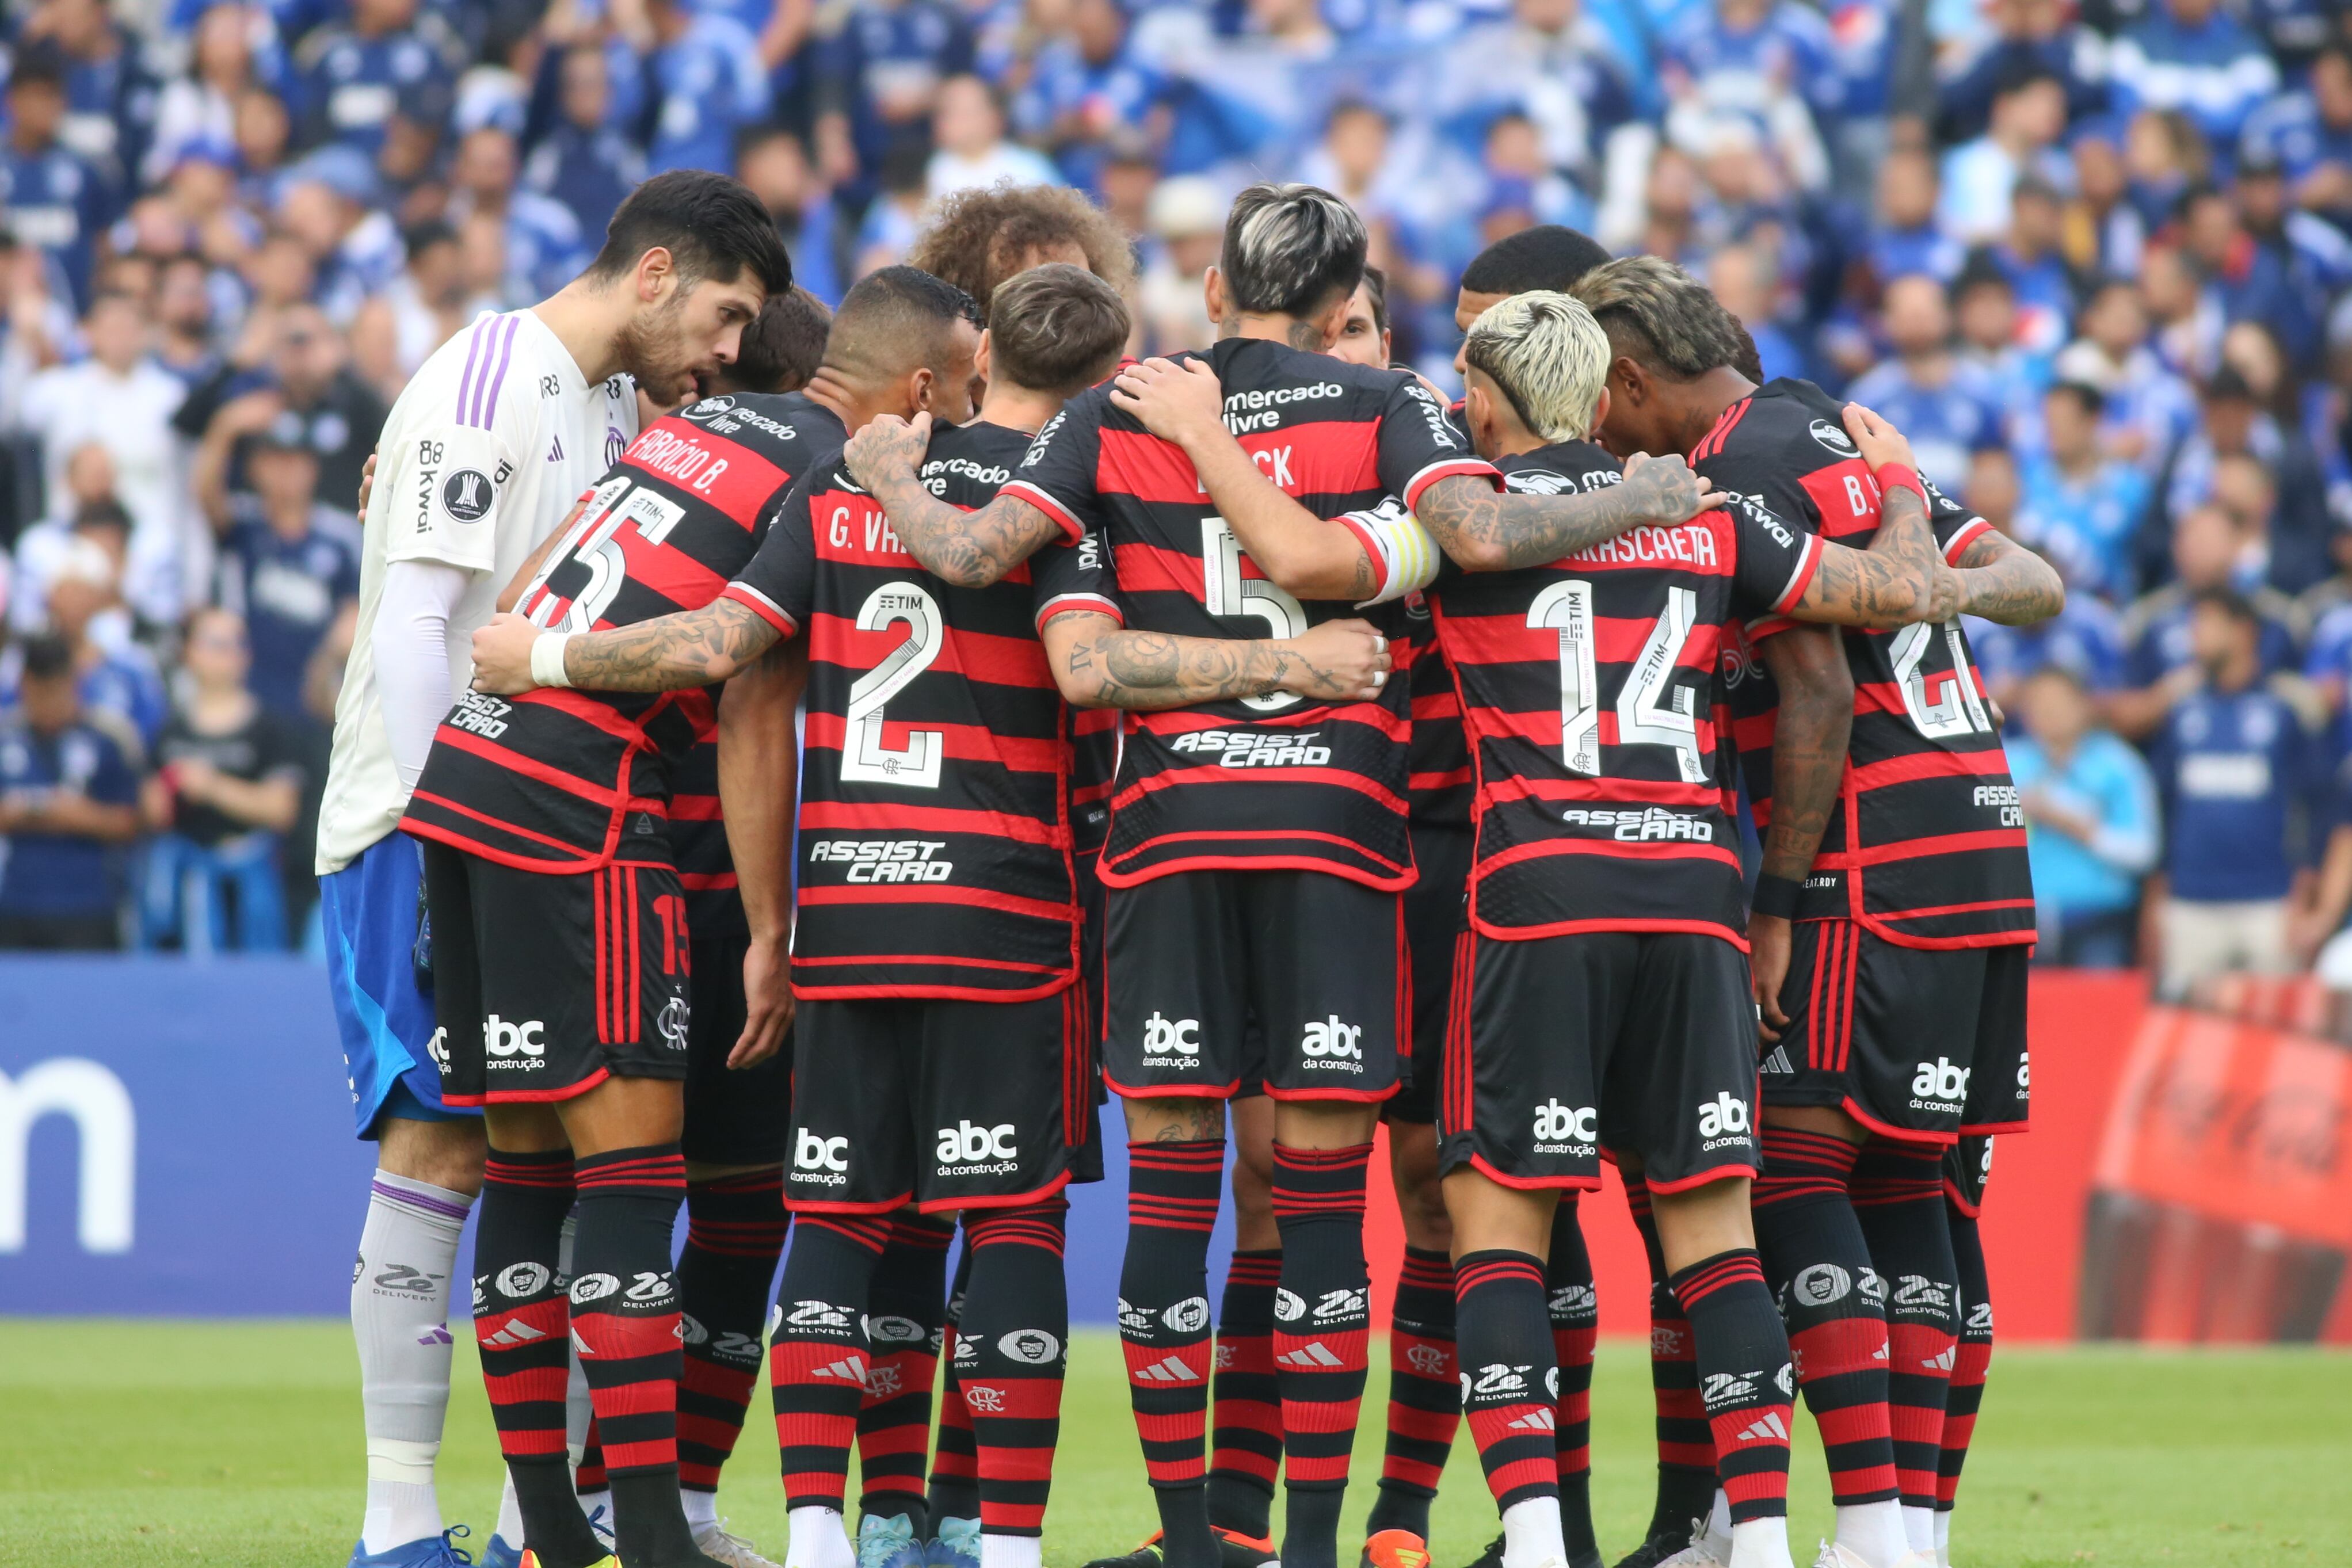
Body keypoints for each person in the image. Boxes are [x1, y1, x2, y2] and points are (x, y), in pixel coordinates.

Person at [834, 185, 1711, 1568]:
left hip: (1187, 840)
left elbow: (972, 555)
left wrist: (884, 467)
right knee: (1319, 1193)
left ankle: (1241, 1534)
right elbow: (1477, 537)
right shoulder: (1388, 412)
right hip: (1344, 843)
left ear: (1210, 290)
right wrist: (1641, 493)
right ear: (1336, 300)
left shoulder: (1118, 408)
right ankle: (1294, 1541)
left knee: (1203, 1190)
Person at [467, 261, 1391, 1568]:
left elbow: (731, 663)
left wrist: (767, 923)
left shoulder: (841, 491)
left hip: (848, 911)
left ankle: (820, 1538)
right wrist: (1292, 664)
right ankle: (999, 1541)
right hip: (1013, 916)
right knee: (1012, 1219)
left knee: (836, 1223)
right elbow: (1087, 675)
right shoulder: (1063, 505)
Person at [314, 167, 786, 1568]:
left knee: (572, 1153)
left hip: (549, 833)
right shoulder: (488, 382)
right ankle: (396, 1522)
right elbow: (413, 625)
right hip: (425, 820)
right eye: (721, 314)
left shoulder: (612, 405)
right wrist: (430, 827)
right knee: (443, 1144)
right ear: (652, 275)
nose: (724, 351)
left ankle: (541, 1521)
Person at [1569, 255, 2063, 1568]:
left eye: (1597, 403)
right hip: (1977, 834)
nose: (1591, 433)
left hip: (1865, 855)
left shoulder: (1745, 476)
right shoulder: (1833, 428)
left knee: (1792, 1169)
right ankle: (1910, 1536)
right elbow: (2027, 581)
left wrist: (1774, 900)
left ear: (1627, 377)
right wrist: (1908, 543)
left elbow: (1821, 696)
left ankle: (1859, 1531)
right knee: (1913, 1178)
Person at [440, 275, 909, 1568]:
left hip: (473, 778)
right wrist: (774, 930)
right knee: (640, 1180)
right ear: (908, 391)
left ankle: (555, 1527)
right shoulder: (825, 473)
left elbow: (538, 577)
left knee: (532, 1171)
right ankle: (650, 1532)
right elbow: (753, 696)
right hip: (598, 819)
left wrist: (522, 652)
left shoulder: (677, 440)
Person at [2147, 589, 2324, 999]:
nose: (2193, 637)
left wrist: (2305, 897)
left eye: (2204, 624)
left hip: (2269, 900)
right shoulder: (2182, 711)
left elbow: (2312, 806)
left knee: (2279, 1035)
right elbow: (2163, 807)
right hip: (2190, 901)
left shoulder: (2284, 709)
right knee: (2187, 1034)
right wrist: (2157, 901)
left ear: (2242, 631)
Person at [140, 606, 307, 952]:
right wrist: (161, 797)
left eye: (238, 643)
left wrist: (212, 787)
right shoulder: (169, 730)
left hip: (250, 884)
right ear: (190, 652)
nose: (230, 653)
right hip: (184, 882)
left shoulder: (271, 730)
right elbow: (150, 813)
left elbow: (281, 810)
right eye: (217, 643)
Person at [201, 420, 363, 723]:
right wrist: (225, 428)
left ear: (313, 468)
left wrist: (326, 663)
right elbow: (205, 495)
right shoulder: (244, 525)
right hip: (248, 696)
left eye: (296, 461)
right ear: (256, 468)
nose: (286, 472)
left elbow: (353, 615)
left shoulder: (340, 537)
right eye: (276, 461)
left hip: (315, 697)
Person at [2007, 665, 2160, 966]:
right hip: (2023, 924)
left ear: (2084, 706)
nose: (2049, 713)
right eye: (2038, 704)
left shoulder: (2119, 765)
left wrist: (2081, 829)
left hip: (2099, 921)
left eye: (2059, 702)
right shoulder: (2007, 764)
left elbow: (2145, 852)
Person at [0, 632, 141, 949]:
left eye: (57, 692)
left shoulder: (109, 737)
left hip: (89, 903)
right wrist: (49, 811)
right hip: (13, 902)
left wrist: (75, 815)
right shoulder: (6, 736)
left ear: (74, 683)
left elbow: (131, 822)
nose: (48, 705)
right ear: (24, 686)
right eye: (39, 693)